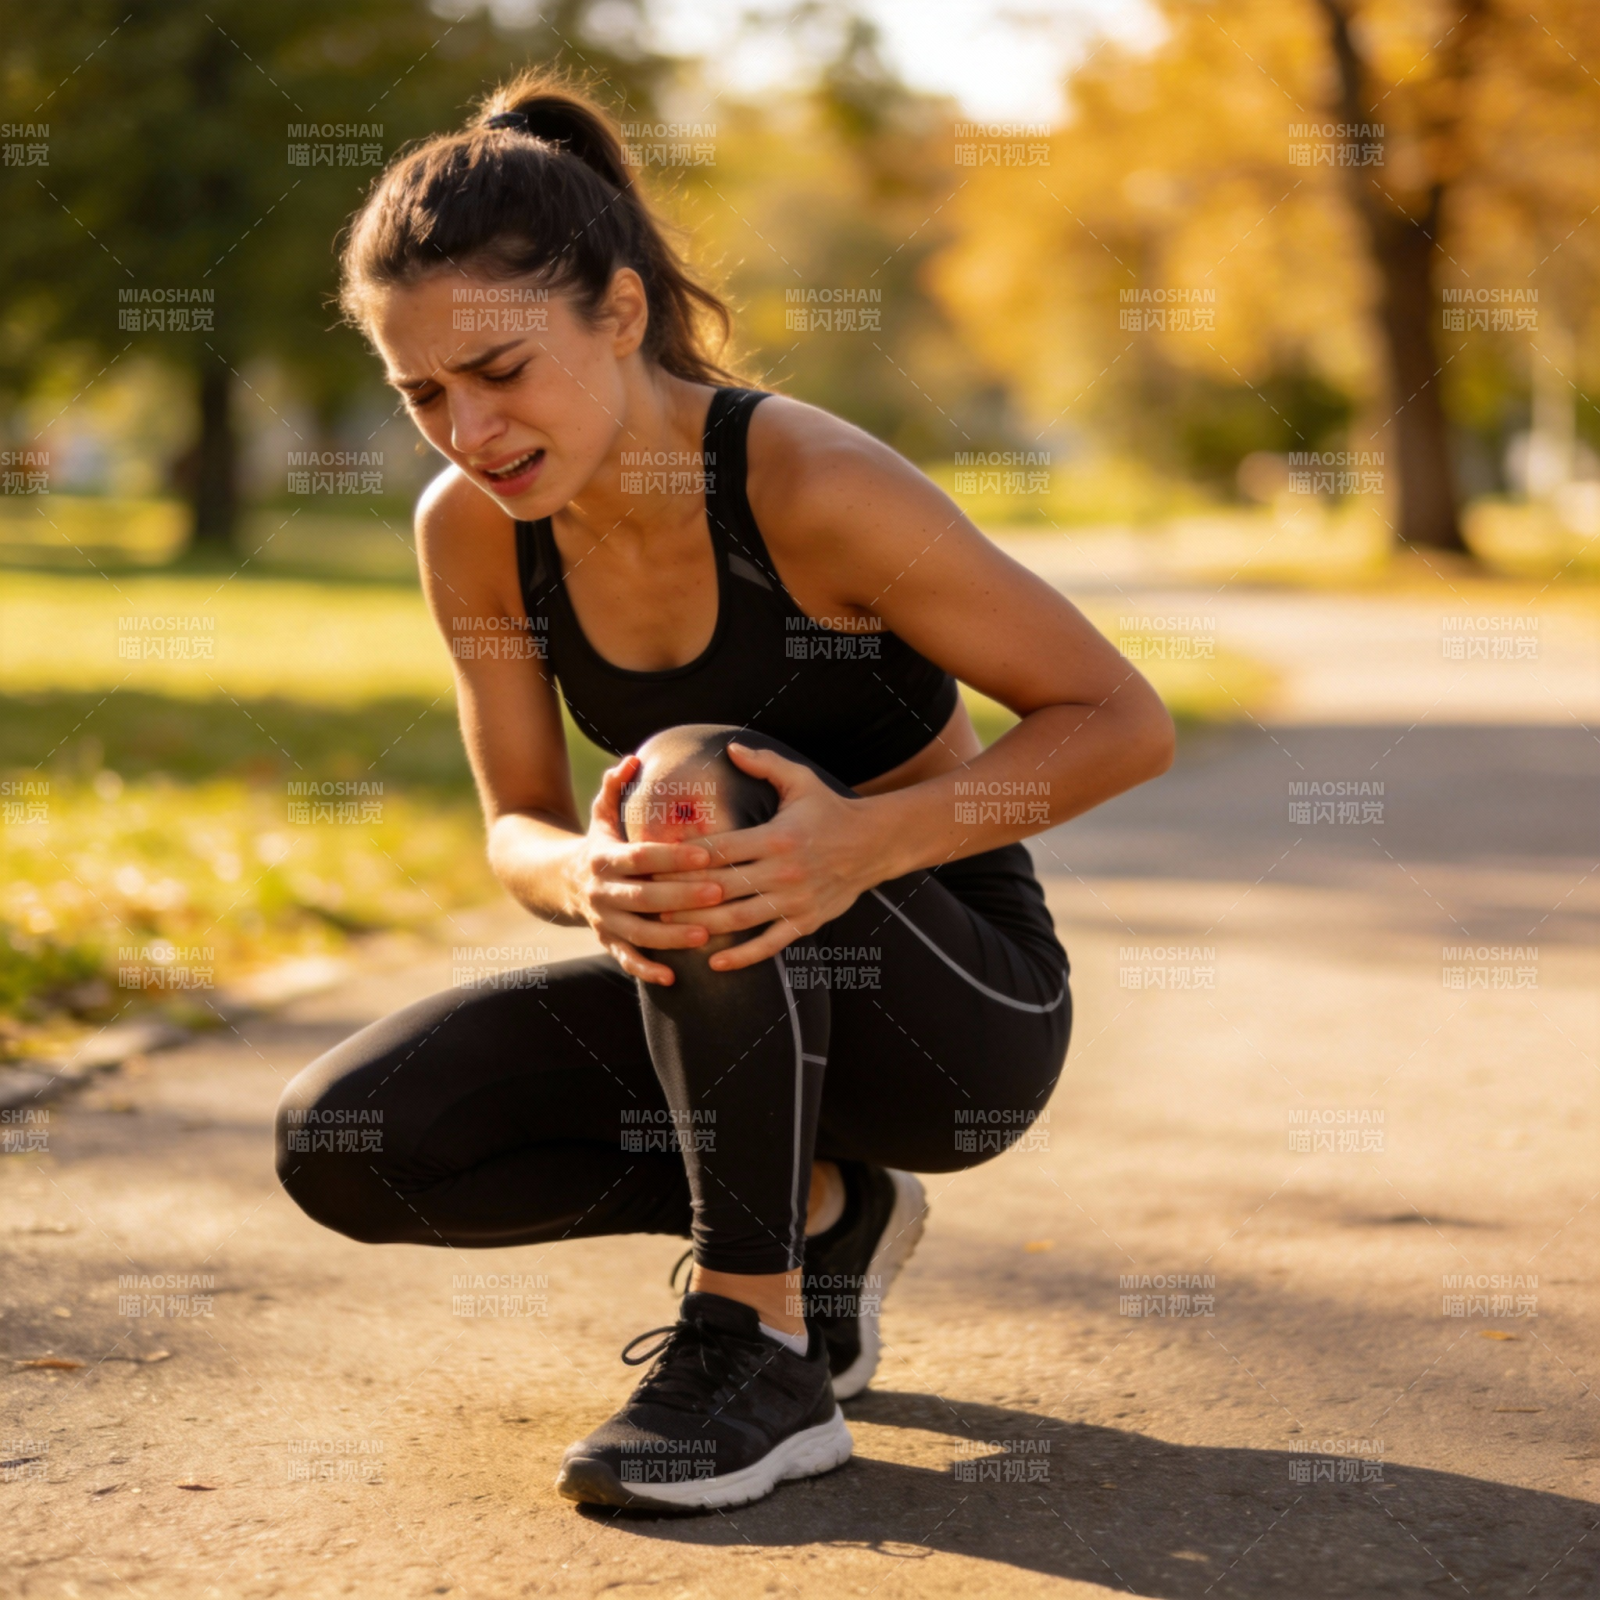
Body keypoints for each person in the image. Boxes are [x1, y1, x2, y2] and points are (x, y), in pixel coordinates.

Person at [274, 68, 1175, 1514]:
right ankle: (826, 1209)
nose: (467, 429)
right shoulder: (476, 534)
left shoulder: (804, 479)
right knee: (348, 1143)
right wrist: (578, 878)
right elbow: (516, 821)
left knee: (691, 786)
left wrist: (859, 848)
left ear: (618, 314)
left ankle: (757, 1344)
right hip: (729, 997)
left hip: (958, 1011)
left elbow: (1120, 719)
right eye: (422, 392)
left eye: (499, 372)